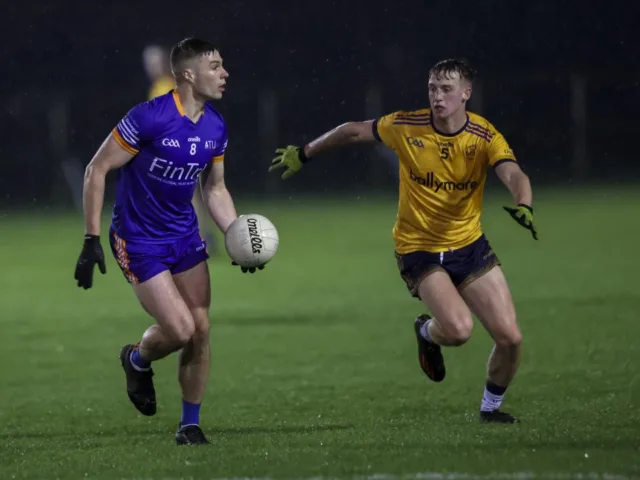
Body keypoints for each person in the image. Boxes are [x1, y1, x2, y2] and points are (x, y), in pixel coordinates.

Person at [269, 59, 537, 423]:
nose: (437, 97)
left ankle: (490, 411)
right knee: (459, 331)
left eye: (446, 89)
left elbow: (513, 172)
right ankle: (426, 330)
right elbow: (351, 131)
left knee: (511, 339)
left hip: (469, 246)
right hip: (419, 249)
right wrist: (304, 153)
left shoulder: (483, 135)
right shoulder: (406, 125)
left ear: (466, 94)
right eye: (432, 88)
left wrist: (524, 204)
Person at [74, 37, 261, 445]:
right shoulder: (148, 118)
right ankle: (137, 359)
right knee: (179, 329)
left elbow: (215, 190)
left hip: (183, 236)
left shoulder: (215, 125)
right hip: (139, 239)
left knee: (201, 328)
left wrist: (236, 236)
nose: (224, 73)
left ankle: (189, 424)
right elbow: (97, 169)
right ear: (189, 75)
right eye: (215, 66)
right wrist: (91, 238)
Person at [143, 43, 218, 254]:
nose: (151, 67)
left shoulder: (166, 86)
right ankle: (200, 238)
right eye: (148, 63)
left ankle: (198, 240)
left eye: (154, 62)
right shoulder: (166, 85)